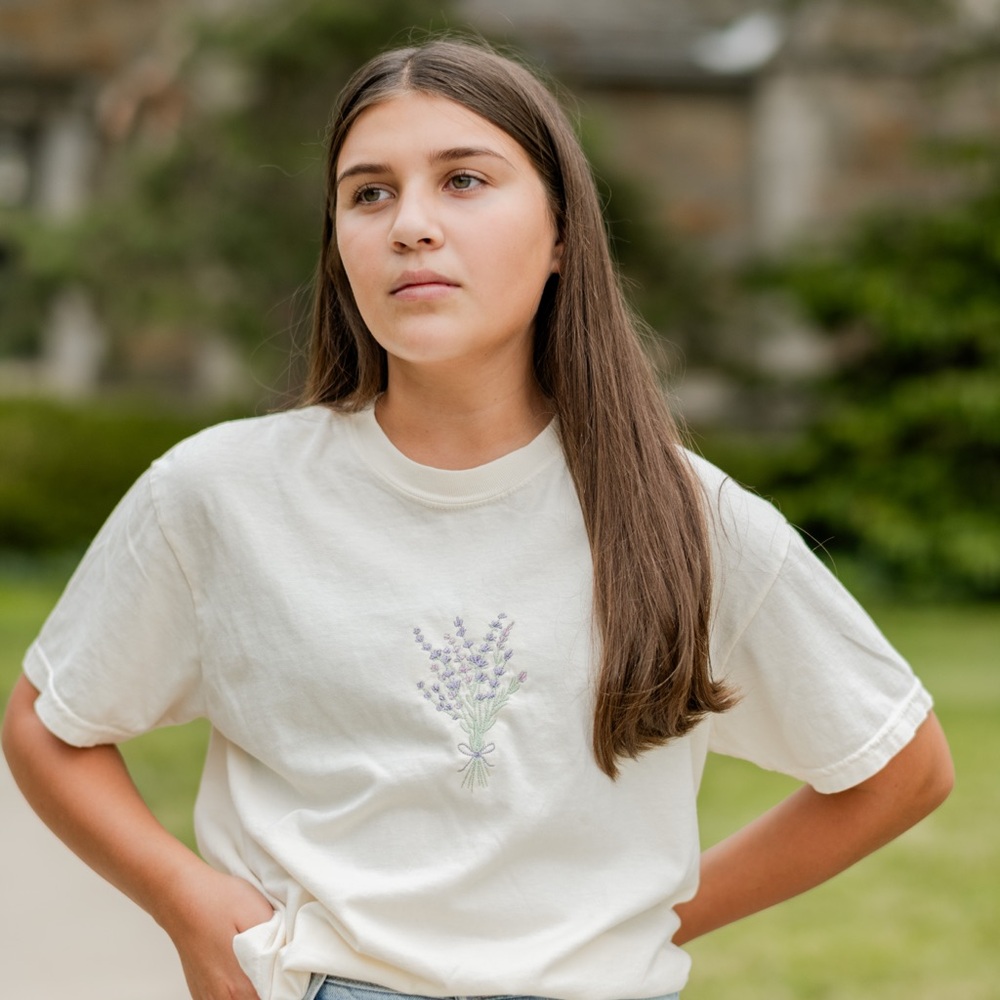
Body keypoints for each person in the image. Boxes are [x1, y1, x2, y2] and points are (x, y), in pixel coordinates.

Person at [2, 36, 952, 1000]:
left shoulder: (683, 515)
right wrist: (185, 902)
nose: (411, 224)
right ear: (338, 247)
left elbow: (898, 766)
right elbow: (50, 724)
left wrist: (653, 918)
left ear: (561, 235)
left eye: (464, 180)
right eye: (368, 193)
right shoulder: (218, 493)